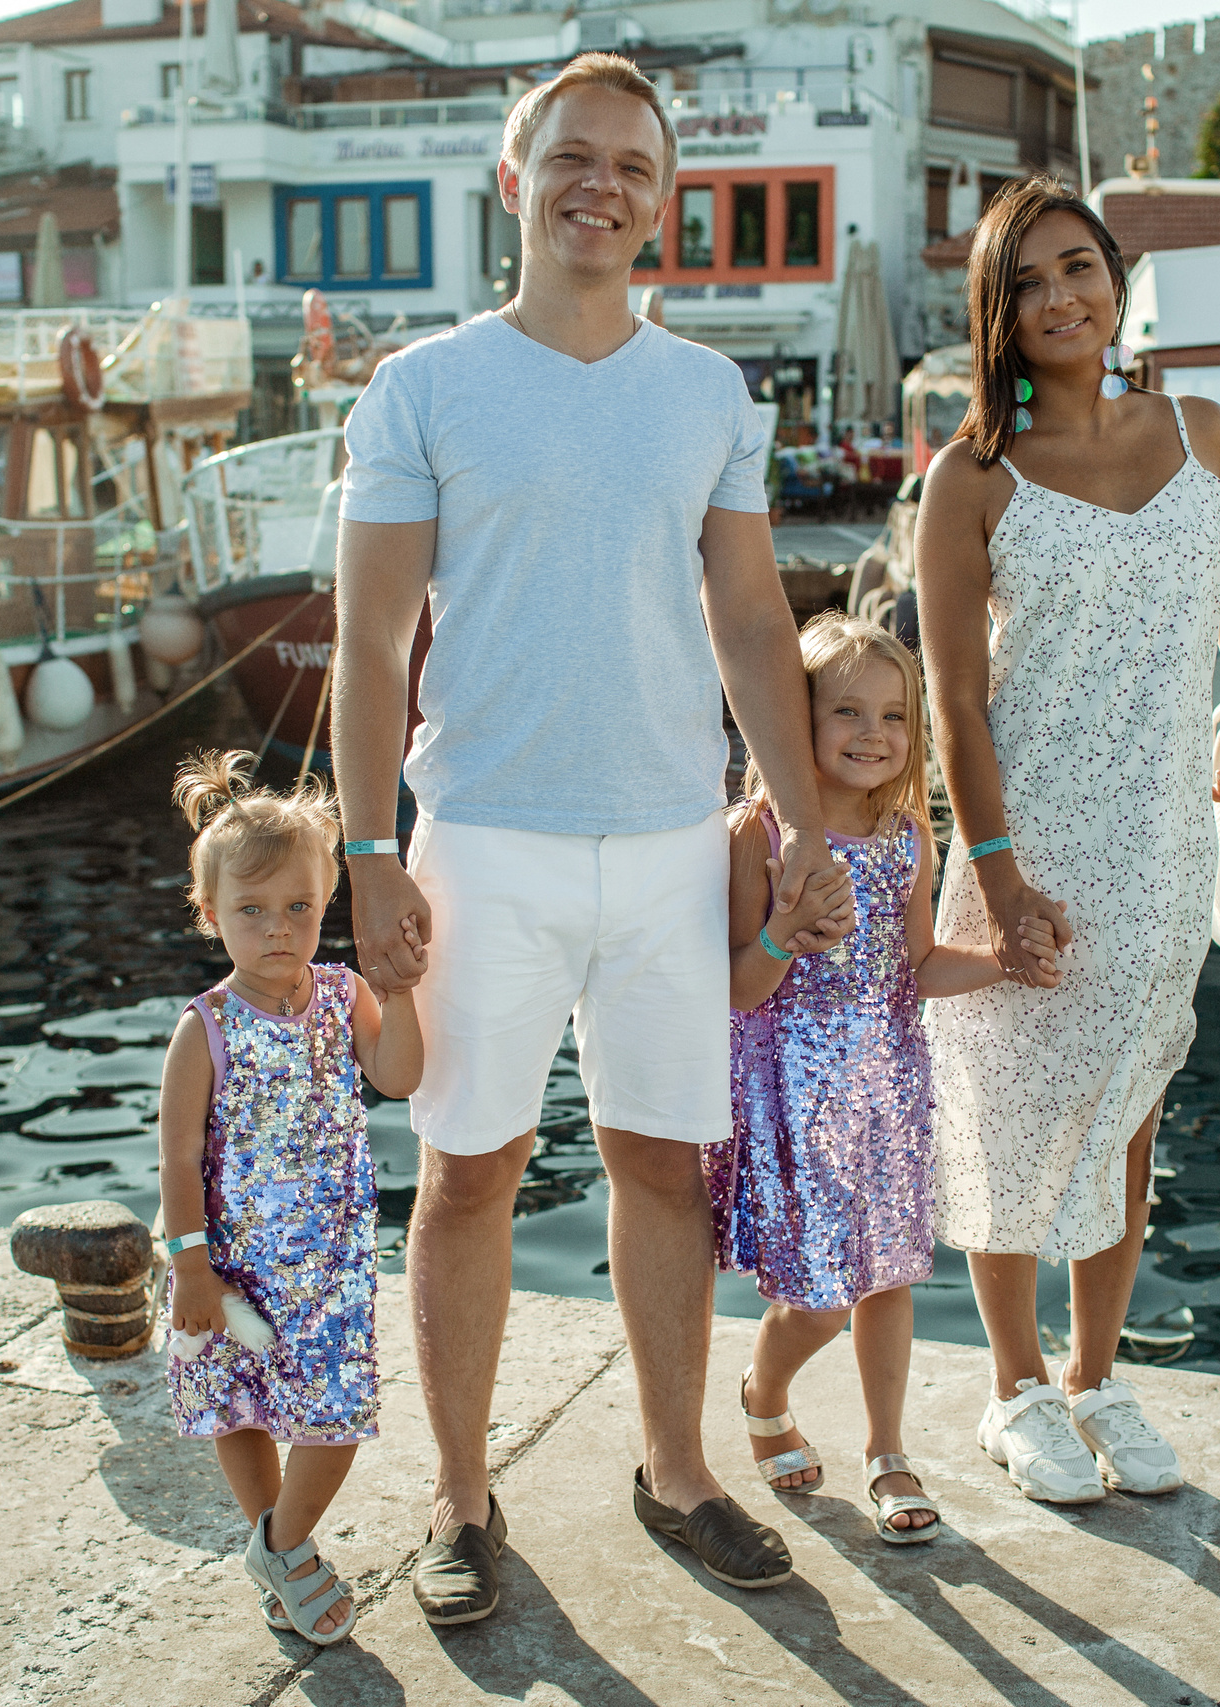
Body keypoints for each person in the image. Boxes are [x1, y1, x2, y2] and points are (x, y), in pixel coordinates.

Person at [328, 51, 853, 1621]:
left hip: (676, 838)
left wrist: (803, 824)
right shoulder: (422, 384)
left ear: (662, 203)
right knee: (467, 1169)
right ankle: (460, 1492)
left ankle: (676, 1468)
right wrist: (366, 852)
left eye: (631, 164)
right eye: (570, 157)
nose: (598, 184)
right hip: (481, 834)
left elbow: (756, 622)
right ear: (516, 182)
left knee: (663, 1165)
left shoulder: (708, 393)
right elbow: (367, 644)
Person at [914, 177, 1220, 1505]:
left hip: (1166, 844)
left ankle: (1098, 1373)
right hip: (1035, 839)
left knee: (1132, 1107)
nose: (1062, 297)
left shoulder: (1199, 434)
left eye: (1079, 267)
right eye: (1027, 282)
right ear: (997, 314)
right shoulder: (967, 477)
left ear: (1116, 277)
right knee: (1016, 1113)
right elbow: (955, 699)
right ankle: (1013, 1386)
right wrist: (1000, 873)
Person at [708, 613, 1059, 1543]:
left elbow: (915, 969)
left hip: (892, 1089)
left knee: (891, 1276)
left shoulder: (908, 833)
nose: (875, 734)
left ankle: (887, 1448)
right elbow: (739, 986)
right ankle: (764, 1388)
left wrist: (1003, 959)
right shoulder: (761, 834)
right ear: (795, 718)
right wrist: (787, 931)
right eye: (848, 711)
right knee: (820, 1296)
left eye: (896, 716)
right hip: (795, 1093)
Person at [152, 752, 424, 1644]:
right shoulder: (207, 1027)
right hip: (231, 1266)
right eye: (253, 911)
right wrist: (191, 1266)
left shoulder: (344, 996)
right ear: (211, 914)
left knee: (336, 1417)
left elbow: (397, 1075)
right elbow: (179, 1154)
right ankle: (284, 1548)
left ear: (328, 900)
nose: (280, 929)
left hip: (331, 1265)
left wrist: (400, 994)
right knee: (239, 1403)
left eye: (300, 908)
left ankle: (281, 1540)